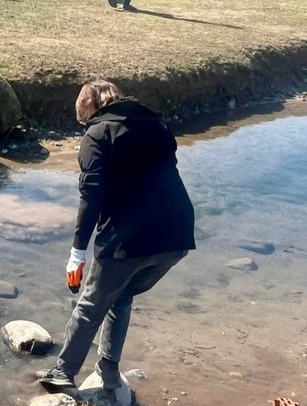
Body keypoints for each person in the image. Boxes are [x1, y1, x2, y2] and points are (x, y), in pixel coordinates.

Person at [36, 81, 195, 390]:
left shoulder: (97, 133)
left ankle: (63, 372)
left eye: (82, 116)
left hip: (128, 241)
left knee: (89, 305)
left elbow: (91, 195)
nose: (83, 124)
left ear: (89, 108)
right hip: (177, 236)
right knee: (120, 295)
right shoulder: (157, 125)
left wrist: (77, 253)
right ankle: (109, 369)